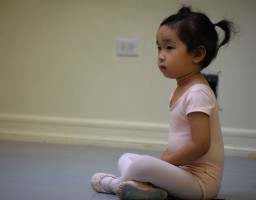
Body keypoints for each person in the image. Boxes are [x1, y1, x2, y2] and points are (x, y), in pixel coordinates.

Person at [90, 5, 236, 200]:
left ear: (197, 54)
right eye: (158, 47)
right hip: (182, 173)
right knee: (127, 158)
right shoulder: (181, 90)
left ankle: (114, 184)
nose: (160, 55)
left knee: (144, 164)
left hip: (200, 184)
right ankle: (144, 187)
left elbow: (200, 145)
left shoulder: (198, 93)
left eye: (169, 47)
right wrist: (162, 165)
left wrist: (162, 163)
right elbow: (177, 144)